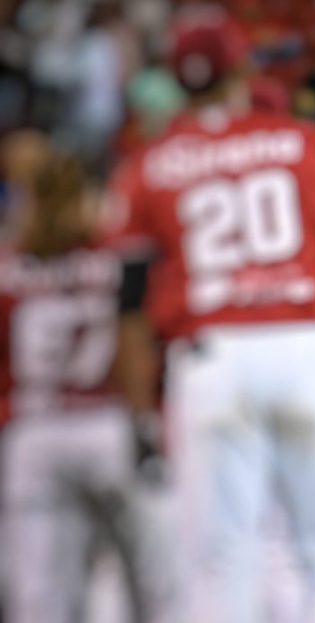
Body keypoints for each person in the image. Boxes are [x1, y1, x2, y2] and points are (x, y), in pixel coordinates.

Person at [108, 7, 315, 622]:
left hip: (212, 357)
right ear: (240, 66)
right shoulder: (306, 142)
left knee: (222, 560)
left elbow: (129, 308)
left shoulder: (149, 165)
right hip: (310, 346)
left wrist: (139, 413)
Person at [0, 152, 170, 622]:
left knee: (39, 597)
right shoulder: (118, 260)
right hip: (111, 424)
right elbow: (145, 336)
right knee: (154, 586)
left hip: (33, 432)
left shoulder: (8, 268)